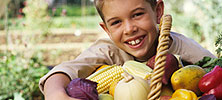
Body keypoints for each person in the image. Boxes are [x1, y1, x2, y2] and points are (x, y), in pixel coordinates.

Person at [40, 0, 216, 99]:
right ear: (106, 29)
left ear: (158, 11)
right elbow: (65, 70)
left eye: (138, 14)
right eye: (116, 22)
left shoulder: (180, 46)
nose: (130, 29)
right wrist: (55, 94)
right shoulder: (106, 51)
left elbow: (215, 69)